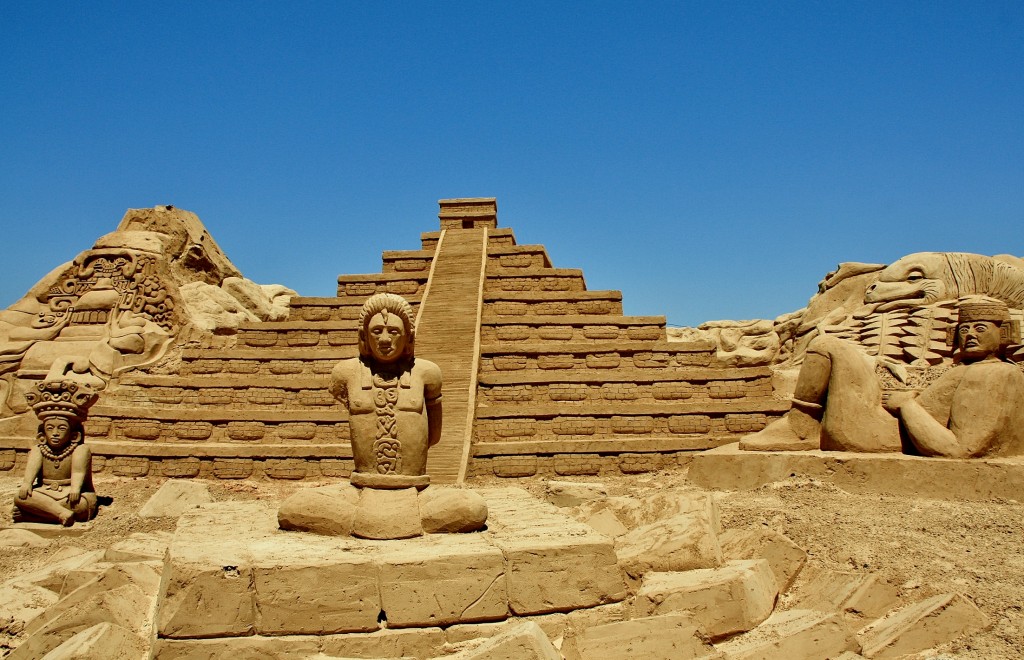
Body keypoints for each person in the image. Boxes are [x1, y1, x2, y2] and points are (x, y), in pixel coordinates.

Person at [741, 297, 1024, 458]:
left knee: (825, 345)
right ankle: (802, 425)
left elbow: (958, 450)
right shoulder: (979, 368)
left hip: (885, 435)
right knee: (846, 353)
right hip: (891, 424)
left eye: (980, 328)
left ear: (1005, 334)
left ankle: (801, 428)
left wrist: (907, 405)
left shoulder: (992, 374)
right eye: (964, 329)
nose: (970, 335)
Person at [329, 293, 442, 486]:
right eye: (376, 331)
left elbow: (434, 435)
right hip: (363, 484)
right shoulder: (344, 373)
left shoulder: (427, 372)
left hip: (414, 484)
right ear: (364, 336)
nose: (384, 339)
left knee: (470, 508)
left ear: (409, 337)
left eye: (393, 331)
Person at [14, 380, 99, 525]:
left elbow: (78, 473)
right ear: (42, 434)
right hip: (45, 492)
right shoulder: (39, 449)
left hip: (73, 495)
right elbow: (28, 479)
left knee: (81, 507)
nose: (54, 433)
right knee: (20, 497)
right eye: (49, 428)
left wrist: (75, 488)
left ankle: (37, 514)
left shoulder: (80, 449)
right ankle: (61, 514)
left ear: (74, 435)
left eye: (61, 428)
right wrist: (26, 484)